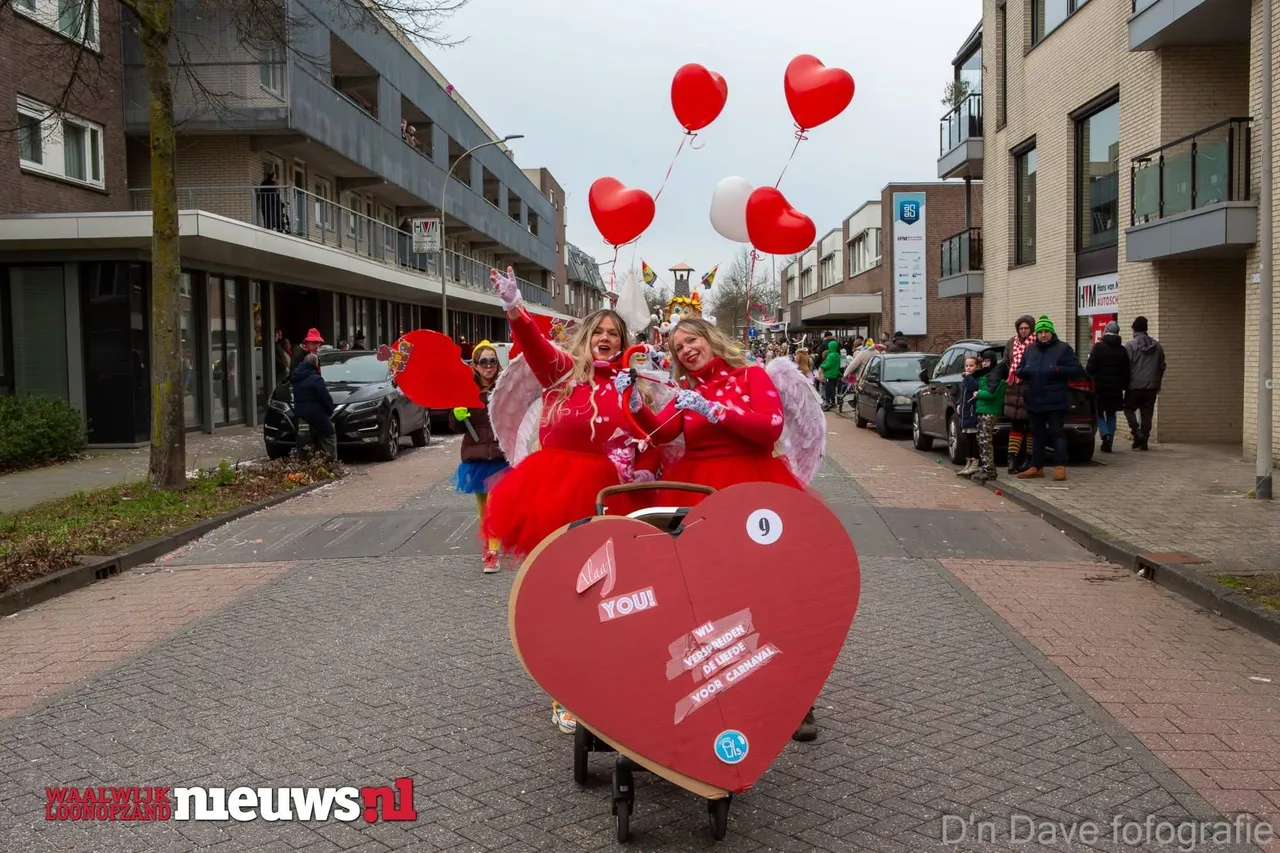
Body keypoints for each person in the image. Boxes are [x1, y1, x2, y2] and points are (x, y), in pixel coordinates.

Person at [614, 317, 819, 743]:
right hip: (699, 495)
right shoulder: (687, 392)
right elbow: (659, 433)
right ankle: (722, 678)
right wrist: (633, 402)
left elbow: (769, 428)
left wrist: (717, 411)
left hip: (754, 492)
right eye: (678, 347)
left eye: (692, 340)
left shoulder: (752, 375)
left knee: (768, 591)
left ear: (710, 339)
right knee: (707, 593)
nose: (686, 350)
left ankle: (794, 696)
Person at [451, 342, 509, 573]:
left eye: (492, 361)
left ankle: (493, 553)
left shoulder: (505, 387)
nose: (488, 366)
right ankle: (489, 543)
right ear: (474, 365)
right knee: (484, 507)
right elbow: (455, 427)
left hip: (500, 455)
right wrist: (456, 415)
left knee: (495, 504)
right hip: (476, 457)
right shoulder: (466, 390)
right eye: (483, 362)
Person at [1016, 316, 1084, 482]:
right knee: (1037, 434)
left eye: (1046, 331)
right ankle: (1036, 466)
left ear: (1052, 332)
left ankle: (1060, 466)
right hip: (1034, 398)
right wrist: (1023, 372)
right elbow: (1020, 368)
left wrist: (1058, 369)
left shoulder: (1063, 348)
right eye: (1040, 332)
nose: (1043, 335)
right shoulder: (1030, 349)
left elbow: (1077, 369)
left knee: (1057, 433)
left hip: (1055, 399)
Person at [1086, 320, 1130, 453]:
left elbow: (1090, 368)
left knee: (1099, 412)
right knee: (1111, 413)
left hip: (1100, 387)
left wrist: (1087, 379)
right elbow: (1126, 371)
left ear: (1105, 332)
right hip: (1116, 388)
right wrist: (1124, 386)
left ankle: (1104, 434)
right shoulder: (1122, 350)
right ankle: (1109, 440)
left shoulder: (1098, 347)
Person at [1123, 316, 1165, 451]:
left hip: (1135, 384)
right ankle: (1144, 440)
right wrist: (1157, 382)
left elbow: (1125, 366)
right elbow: (1162, 366)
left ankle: (1137, 432)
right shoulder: (1157, 346)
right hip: (1152, 385)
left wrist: (1125, 382)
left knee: (1128, 408)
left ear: (1134, 329)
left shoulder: (1130, 345)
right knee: (1147, 413)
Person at [1002, 315, 1037, 474]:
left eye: (1026, 328)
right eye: (1021, 328)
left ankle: (1029, 460)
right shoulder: (1011, 343)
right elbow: (1005, 363)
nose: (1023, 331)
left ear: (1031, 329)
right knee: (1015, 426)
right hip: (1013, 390)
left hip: (1030, 389)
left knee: (1030, 426)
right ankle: (1012, 459)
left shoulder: (1036, 343)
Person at [290, 353, 336, 460]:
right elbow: (325, 398)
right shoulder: (316, 379)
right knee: (329, 434)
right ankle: (330, 461)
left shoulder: (296, 377)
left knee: (303, 437)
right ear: (315, 364)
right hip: (316, 414)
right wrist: (330, 411)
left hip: (301, 414)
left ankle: (304, 460)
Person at [972, 350, 1006, 481]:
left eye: (987, 361)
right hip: (984, 409)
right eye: (983, 361)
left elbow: (991, 393)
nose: (985, 363)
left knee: (985, 440)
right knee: (982, 439)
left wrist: (978, 394)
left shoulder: (994, 374)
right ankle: (986, 467)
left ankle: (989, 470)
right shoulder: (988, 373)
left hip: (990, 410)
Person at [956, 355, 982, 478]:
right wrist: (959, 404)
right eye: (967, 366)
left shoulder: (975, 378)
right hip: (965, 412)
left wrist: (969, 377)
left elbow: (974, 388)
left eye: (971, 366)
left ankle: (975, 462)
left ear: (977, 367)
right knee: (967, 438)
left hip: (972, 412)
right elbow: (963, 394)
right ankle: (969, 462)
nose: (968, 368)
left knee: (973, 439)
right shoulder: (966, 379)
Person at [820, 339, 841, 410]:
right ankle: (833, 401)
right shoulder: (838, 355)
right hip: (835, 374)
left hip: (829, 374)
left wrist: (822, 366)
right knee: (833, 388)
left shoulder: (830, 355)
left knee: (828, 389)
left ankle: (828, 402)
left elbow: (828, 365)